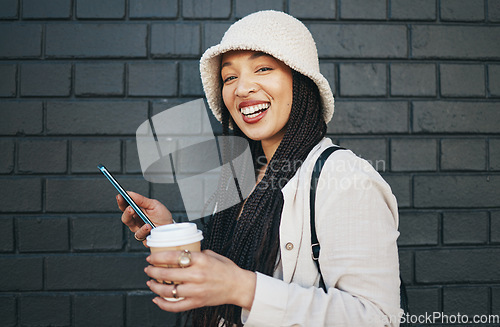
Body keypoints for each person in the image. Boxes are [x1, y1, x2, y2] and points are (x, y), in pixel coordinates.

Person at [117, 10, 402, 327]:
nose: (241, 89)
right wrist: (171, 236)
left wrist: (243, 287)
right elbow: (228, 270)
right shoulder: (241, 173)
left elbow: (379, 318)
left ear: (301, 81)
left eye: (263, 68)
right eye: (230, 77)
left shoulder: (345, 178)